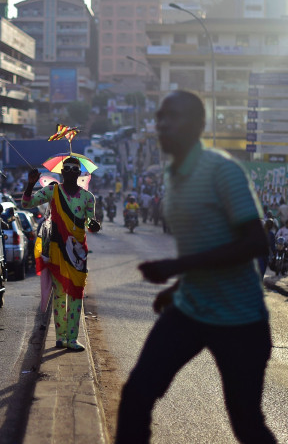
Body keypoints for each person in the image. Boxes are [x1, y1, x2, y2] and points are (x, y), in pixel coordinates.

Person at [116, 90, 275, 444]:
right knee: (136, 396)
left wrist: (176, 266)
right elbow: (206, 245)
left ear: (199, 125)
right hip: (190, 309)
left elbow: (255, 243)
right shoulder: (172, 176)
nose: (162, 124)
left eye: (173, 116)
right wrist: (177, 288)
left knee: (247, 424)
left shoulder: (223, 171)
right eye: (160, 117)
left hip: (240, 320)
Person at [22, 157, 100, 351]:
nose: (72, 172)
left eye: (76, 169)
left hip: (78, 253)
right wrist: (30, 184)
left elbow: (91, 223)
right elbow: (27, 204)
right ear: (62, 172)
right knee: (59, 295)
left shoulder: (88, 198)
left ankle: (72, 338)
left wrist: (95, 225)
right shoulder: (52, 191)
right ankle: (60, 337)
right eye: (68, 169)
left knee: (75, 294)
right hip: (57, 250)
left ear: (80, 173)